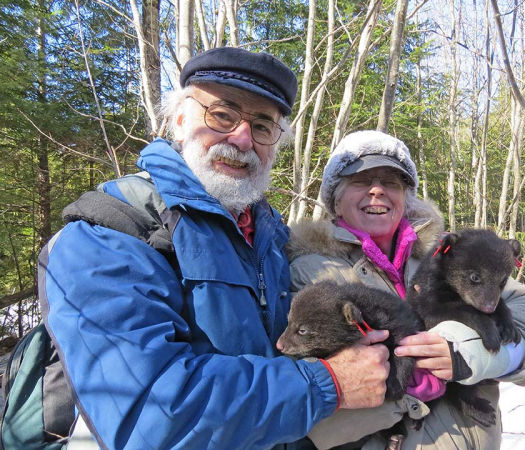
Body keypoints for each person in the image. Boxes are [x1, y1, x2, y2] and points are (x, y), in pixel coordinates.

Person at [38, 48, 393, 449]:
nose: (241, 139)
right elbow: (148, 417)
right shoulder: (111, 233)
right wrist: (328, 384)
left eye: (262, 126)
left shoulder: (270, 237)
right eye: (222, 115)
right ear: (179, 118)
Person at [287, 130, 525, 449]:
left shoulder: (452, 255)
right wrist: (404, 389)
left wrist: (481, 356)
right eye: (361, 181)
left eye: (391, 182)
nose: (377, 190)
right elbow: (304, 403)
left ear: (406, 197)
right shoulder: (310, 274)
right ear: (335, 199)